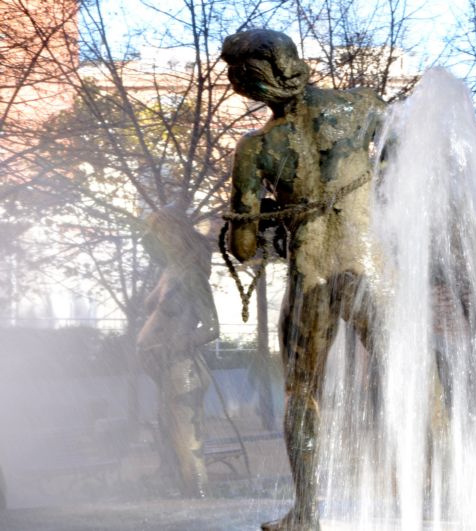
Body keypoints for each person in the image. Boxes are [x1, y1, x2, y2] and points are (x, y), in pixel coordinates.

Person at [221, 28, 385, 531]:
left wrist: (247, 222)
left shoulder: (257, 148)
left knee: (302, 393)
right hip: (371, 267)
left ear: (252, 86)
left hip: (311, 273)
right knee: (412, 374)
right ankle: (451, 485)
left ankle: (307, 515)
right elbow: (405, 163)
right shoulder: (362, 106)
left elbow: (245, 248)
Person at [137, 204, 219, 498]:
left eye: (157, 232)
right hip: (165, 372)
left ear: (174, 234)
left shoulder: (192, 274)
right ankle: (187, 505)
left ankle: (200, 506)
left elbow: (212, 326)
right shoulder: (169, 272)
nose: (151, 238)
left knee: (188, 448)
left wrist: (177, 343)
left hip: (183, 371)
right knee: (172, 443)